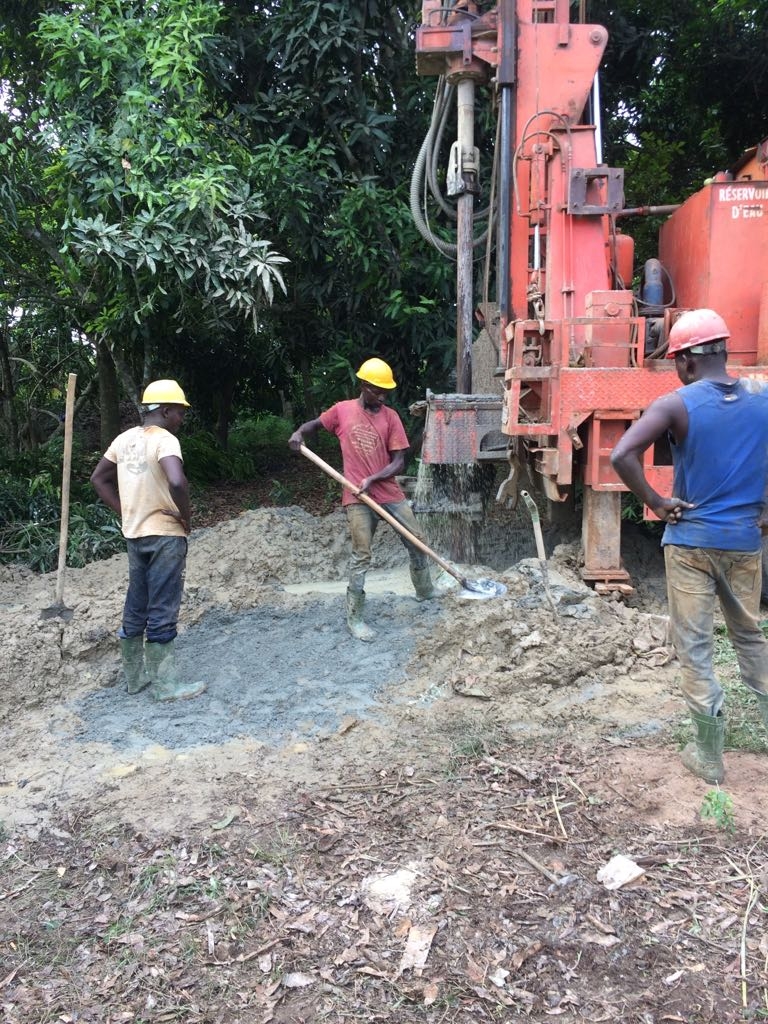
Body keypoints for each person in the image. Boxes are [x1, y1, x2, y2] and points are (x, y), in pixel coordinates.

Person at [611, 308, 768, 784]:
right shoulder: (762, 398)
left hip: (691, 543)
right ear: (723, 350)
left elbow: (621, 454)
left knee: (696, 647)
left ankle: (709, 757)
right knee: (750, 638)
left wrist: (656, 501)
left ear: (685, 361)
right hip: (744, 541)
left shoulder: (675, 405)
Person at [288, 357, 434, 642]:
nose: (381, 397)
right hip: (356, 496)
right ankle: (355, 617)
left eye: (385, 393)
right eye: (377, 391)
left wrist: (374, 478)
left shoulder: (390, 417)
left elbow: (400, 462)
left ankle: (426, 592)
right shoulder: (342, 412)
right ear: (363, 386)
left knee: (417, 540)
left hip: (387, 492)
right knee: (361, 553)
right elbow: (314, 425)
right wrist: (298, 433)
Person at [90, 380, 206, 702]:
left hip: (135, 534)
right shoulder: (165, 440)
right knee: (164, 606)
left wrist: (126, 511)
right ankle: (166, 686)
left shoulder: (124, 439)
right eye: (180, 413)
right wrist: (186, 517)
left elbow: (98, 478)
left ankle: (135, 679)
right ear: (165, 410)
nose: (181, 419)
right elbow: (177, 481)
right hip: (166, 535)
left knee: (137, 603)